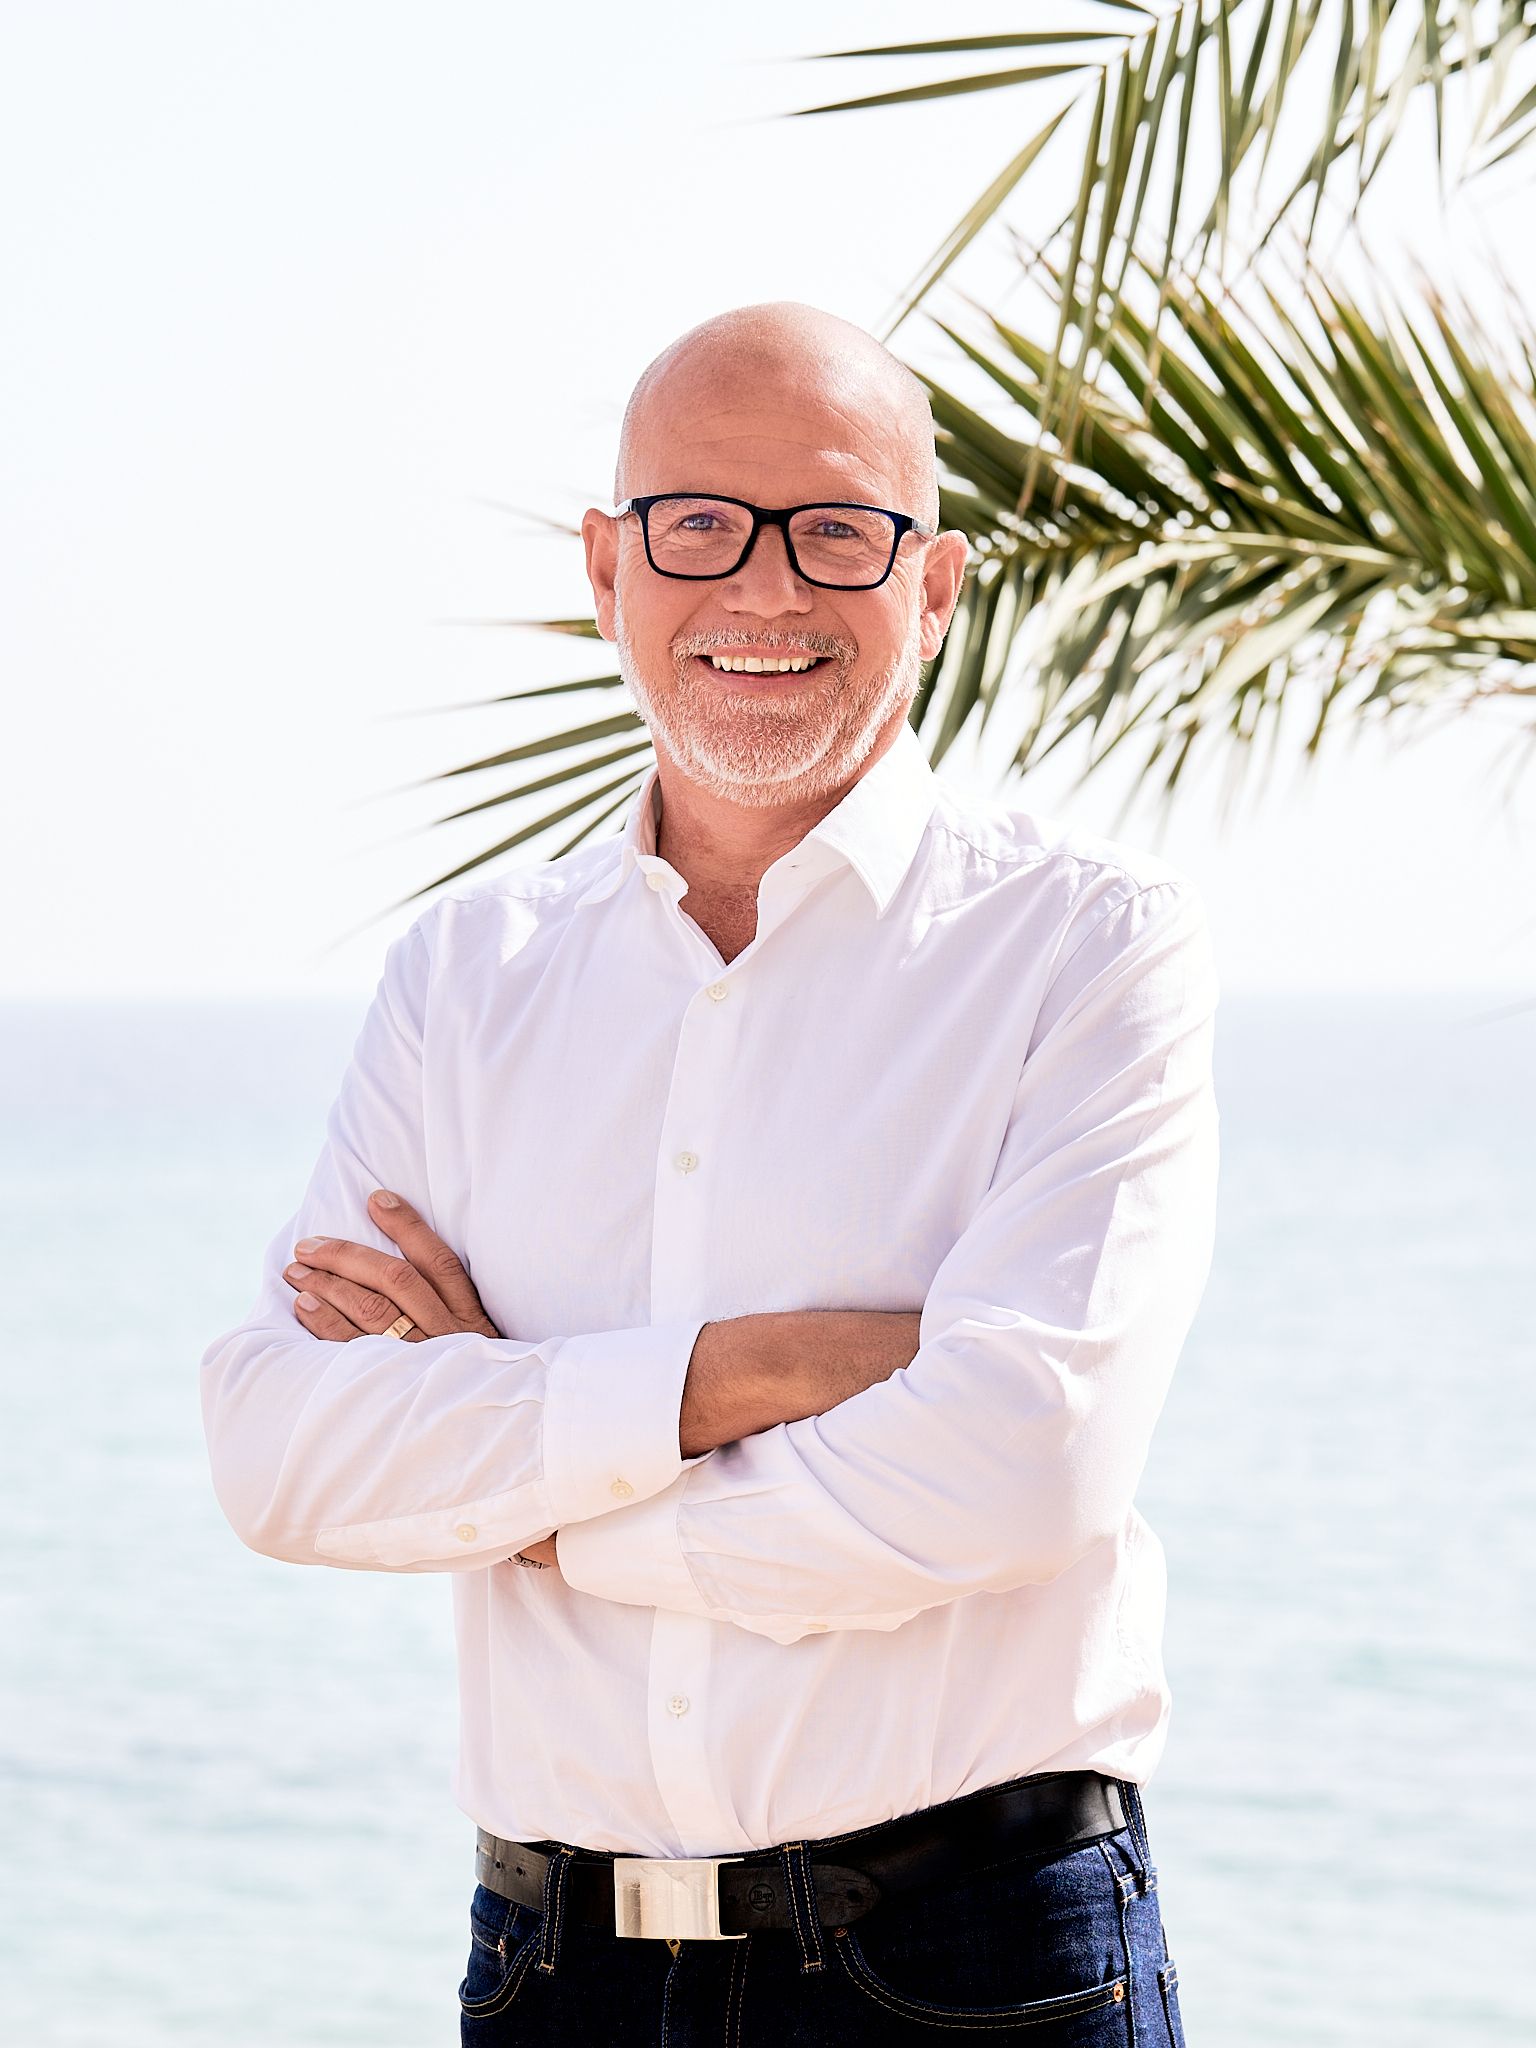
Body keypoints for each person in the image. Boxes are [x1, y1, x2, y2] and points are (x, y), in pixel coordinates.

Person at [200, 299, 1214, 2044]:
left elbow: (1016, 1469)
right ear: (610, 568)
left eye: (835, 532)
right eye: (697, 525)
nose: (761, 588)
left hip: (974, 1968)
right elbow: (280, 1453)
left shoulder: (1084, 948)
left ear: (935, 588)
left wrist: (539, 1496)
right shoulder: (468, 981)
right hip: (554, 1974)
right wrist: (750, 1375)